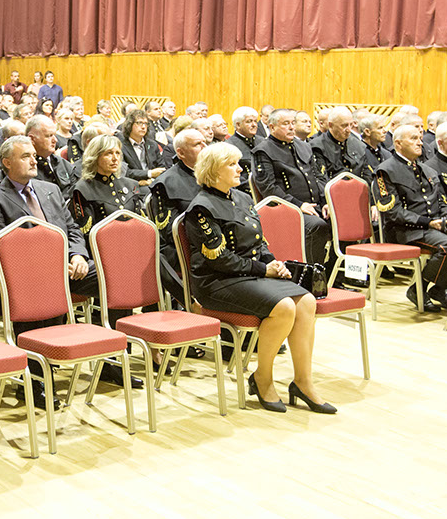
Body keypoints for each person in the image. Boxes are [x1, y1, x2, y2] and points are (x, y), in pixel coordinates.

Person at [182, 143, 332, 414]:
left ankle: (303, 381)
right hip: (216, 282)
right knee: (284, 307)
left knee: (307, 301)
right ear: (214, 170)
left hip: (249, 275)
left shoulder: (242, 197)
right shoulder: (201, 208)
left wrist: (272, 261)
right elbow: (219, 259)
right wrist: (263, 270)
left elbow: (258, 241)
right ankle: (263, 377)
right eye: (232, 164)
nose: (240, 169)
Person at [373, 124, 447, 312]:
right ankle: (418, 288)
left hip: (431, 228)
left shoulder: (427, 170)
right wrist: (428, 222)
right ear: (398, 143)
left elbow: (441, 201)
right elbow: (393, 212)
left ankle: (440, 288)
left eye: (420, 138)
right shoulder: (385, 171)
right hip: (404, 230)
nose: (420, 142)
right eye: (413, 138)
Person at [252, 109, 332, 266]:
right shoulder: (263, 151)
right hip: (286, 210)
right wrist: (298, 205)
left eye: (293, 123)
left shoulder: (304, 146)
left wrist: (325, 202)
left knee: (339, 221)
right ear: (272, 127)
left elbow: (318, 177)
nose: (291, 127)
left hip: (313, 207)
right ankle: (309, 272)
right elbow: (268, 188)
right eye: (285, 124)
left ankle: (331, 272)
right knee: (317, 225)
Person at [147, 127, 209, 305]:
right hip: (183, 247)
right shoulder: (165, 183)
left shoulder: (214, 174)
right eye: (198, 144)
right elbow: (169, 231)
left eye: (205, 142)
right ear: (181, 153)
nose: (205, 147)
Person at [119, 108, 165, 185]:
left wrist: (151, 180)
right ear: (129, 124)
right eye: (139, 123)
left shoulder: (153, 145)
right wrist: (149, 174)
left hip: (153, 184)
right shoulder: (120, 146)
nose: (143, 127)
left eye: (146, 123)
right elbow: (125, 172)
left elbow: (162, 168)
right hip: (131, 185)